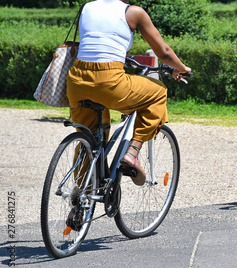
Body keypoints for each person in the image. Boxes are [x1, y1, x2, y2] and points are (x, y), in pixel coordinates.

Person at [66, 0, 191, 186]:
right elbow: (163, 52)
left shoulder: (87, 6)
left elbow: (98, 43)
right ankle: (132, 152)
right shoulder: (134, 13)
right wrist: (182, 68)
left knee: (90, 138)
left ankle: (81, 203)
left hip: (76, 81)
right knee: (158, 92)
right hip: (109, 81)